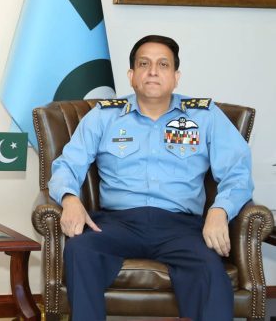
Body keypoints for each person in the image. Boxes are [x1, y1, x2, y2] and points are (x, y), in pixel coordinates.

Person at [48, 35, 253, 321]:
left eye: (163, 64)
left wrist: (220, 210)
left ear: (176, 76)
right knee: (80, 249)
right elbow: (67, 165)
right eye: (144, 64)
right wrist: (69, 199)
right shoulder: (104, 116)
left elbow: (238, 172)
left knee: (209, 268)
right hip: (117, 223)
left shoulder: (205, 116)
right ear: (132, 76)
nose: (153, 71)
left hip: (181, 226)